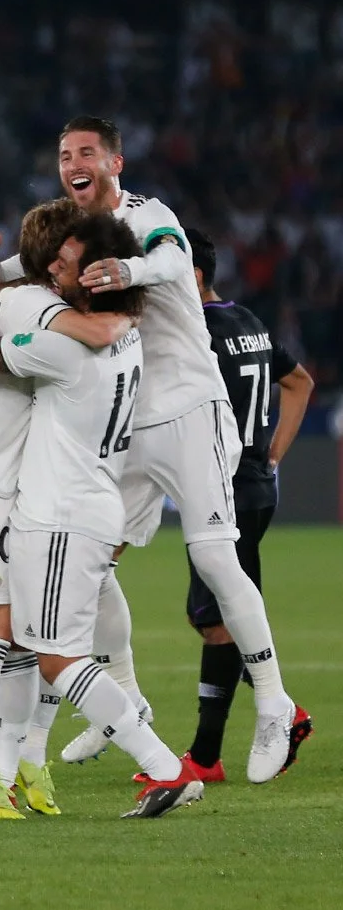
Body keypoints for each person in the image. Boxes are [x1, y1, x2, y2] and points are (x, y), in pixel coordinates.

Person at [0, 117, 303, 784]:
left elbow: (172, 258)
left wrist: (129, 268)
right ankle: (124, 697)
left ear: (115, 161)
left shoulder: (148, 215)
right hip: (130, 425)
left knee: (214, 553)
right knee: (91, 565)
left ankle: (275, 702)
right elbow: (10, 277)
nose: (73, 162)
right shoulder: (70, 230)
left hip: (189, 406)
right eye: (64, 154)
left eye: (87, 152)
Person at [0, 210, 204, 818]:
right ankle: (18, 769)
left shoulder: (66, 350)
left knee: (58, 658)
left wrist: (5, 304)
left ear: (97, 279)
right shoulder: (127, 335)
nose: (52, 270)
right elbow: (100, 324)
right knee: (46, 649)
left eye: (66, 265)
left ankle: (164, 768)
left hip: (60, 515)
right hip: (94, 507)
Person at [0, 198, 135, 820]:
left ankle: (24, 764)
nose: (82, 263)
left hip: (39, 495)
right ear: (57, 256)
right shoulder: (26, 303)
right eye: (74, 253)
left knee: (34, 637)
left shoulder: (62, 309)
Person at [173, 228, 314, 781]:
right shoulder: (247, 321)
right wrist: (272, 455)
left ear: (193, 276)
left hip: (224, 489)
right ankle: (212, 751)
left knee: (219, 620)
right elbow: (300, 382)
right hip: (254, 485)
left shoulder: (196, 331)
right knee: (220, 615)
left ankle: (220, 748)